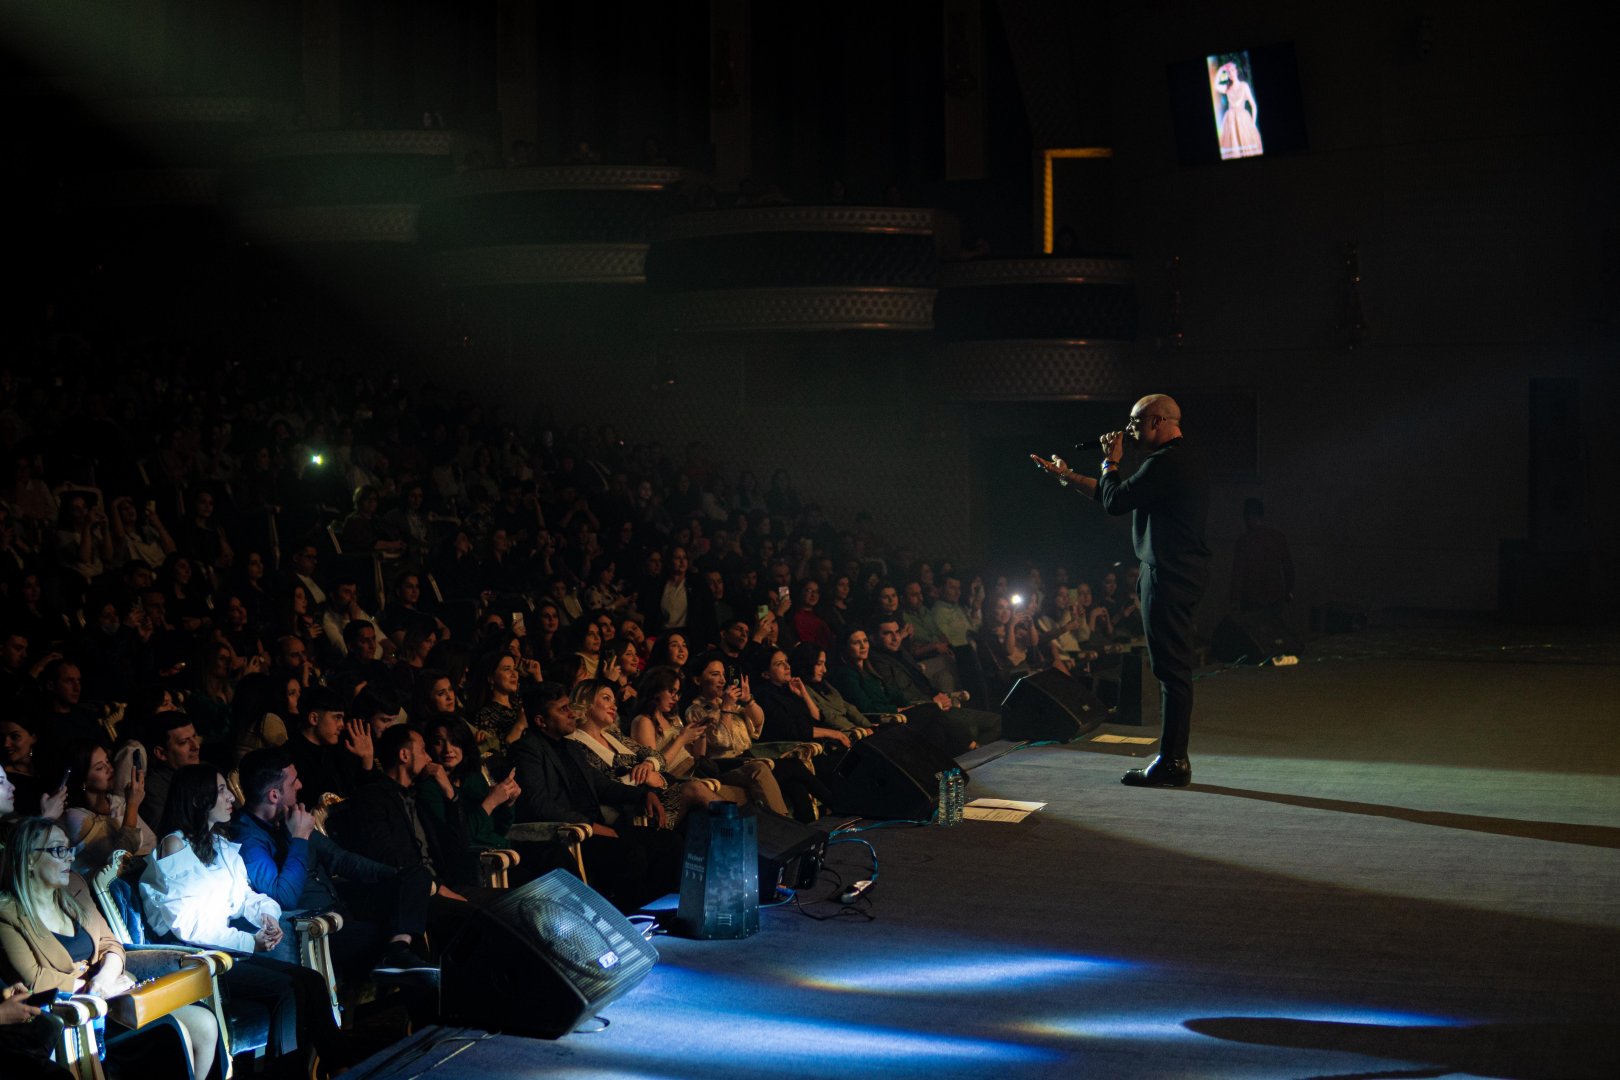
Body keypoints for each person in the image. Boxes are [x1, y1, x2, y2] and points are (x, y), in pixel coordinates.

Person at [1031, 392, 1211, 786]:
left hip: (1168, 575)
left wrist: (1110, 460)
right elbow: (1114, 495)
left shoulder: (1165, 464)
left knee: (1171, 670)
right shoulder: (1176, 463)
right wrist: (1068, 476)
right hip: (1177, 571)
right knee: (1171, 669)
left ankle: (1172, 761)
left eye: (1134, 423)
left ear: (1158, 422)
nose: (1128, 430)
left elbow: (1115, 501)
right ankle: (1173, 758)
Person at [140, 765, 334, 1072]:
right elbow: (189, 925)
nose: (231, 796)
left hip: (229, 951)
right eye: (220, 790)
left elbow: (246, 897)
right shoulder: (174, 845)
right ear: (196, 799)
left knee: (311, 980)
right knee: (288, 988)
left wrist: (267, 917)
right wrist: (248, 941)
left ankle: (338, 1065)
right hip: (197, 959)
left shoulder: (219, 843)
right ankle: (290, 1073)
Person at [0, 816, 218, 1080]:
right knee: (173, 1032)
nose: (69, 858)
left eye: (69, 849)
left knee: (206, 1024)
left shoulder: (76, 888)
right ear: (30, 859)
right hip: (81, 1015)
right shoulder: (7, 914)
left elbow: (111, 944)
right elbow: (37, 979)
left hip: (117, 996)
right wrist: (95, 990)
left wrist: (104, 980)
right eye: (58, 850)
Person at [231, 747, 436, 981]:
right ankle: (400, 955)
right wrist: (299, 838)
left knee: (416, 879)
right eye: (293, 782)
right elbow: (283, 896)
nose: (300, 786)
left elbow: (341, 859)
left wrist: (398, 877)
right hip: (316, 928)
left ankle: (398, 951)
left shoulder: (285, 816)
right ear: (274, 795)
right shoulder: (248, 838)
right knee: (406, 936)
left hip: (341, 906)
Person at [1231, 497, 1295, 613]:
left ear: (1247, 516)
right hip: (1274, 598)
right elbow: (1288, 568)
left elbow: (1238, 574)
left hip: (1251, 600)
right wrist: (1288, 591)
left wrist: (1234, 601)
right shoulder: (1278, 538)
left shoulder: (1244, 542)